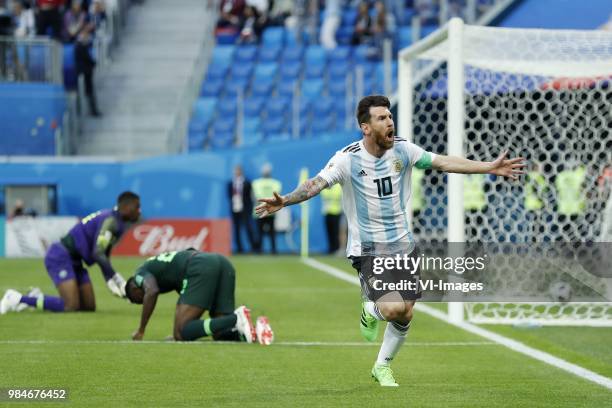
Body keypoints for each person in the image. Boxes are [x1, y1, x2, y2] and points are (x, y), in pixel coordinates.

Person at [255, 95, 524, 387]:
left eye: (390, 116)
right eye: (381, 118)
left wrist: (488, 167)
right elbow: (314, 185)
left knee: (406, 313)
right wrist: (287, 201)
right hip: (368, 248)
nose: (390, 122)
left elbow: (443, 162)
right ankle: (370, 309)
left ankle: (382, 366)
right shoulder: (347, 159)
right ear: (365, 127)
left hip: (403, 245)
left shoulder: (404, 150)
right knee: (393, 308)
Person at [0, 191, 141, 315]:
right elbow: (98, 253)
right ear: (126, 207)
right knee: (70, 306)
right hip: (60, 256)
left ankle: (35, 296)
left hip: (75, 261)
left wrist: (109, 280)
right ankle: (16, 298)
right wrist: (116, 279)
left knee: (88, 307)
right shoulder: (110, 221)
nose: (139, 211)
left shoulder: (116, 221)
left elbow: (103, 255)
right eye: (137, 207)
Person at [124, 249, 273, 344]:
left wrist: (141, 329)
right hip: (220, 262)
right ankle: (252, 331)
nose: (141, 303)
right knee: (219, 331)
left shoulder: (139, 274)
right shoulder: (163, 269)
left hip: (200, 266)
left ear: (134, 288)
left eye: (136, 300)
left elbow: (152, 291)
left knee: (181, 332)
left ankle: (237, 317)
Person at [252, 163, 281, 254]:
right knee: (272, 232)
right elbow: (277, 196)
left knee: (259, 232)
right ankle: (273, 250)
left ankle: (259, 250)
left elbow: (256, 196)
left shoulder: (256, 183)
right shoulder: (276, 183)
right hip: (272, 210)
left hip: (260, 210)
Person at [227, 165, 256, 253]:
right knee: (236, 229)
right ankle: (239, 249)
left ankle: (253, 248)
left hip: (245, 208)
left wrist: (249, 208)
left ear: (241, 171)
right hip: (235, 208)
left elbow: (250, 196)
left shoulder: (247, 182)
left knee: (248, 227)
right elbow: (229, 196)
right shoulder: (230, 183)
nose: (236, 172)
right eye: (235, 171)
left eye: (238, 171)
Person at [320, 183, 342, 254]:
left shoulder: (338, 187)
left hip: (336, 212)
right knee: (329, 232)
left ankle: (336, 248)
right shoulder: (325, 188)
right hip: (327, 212)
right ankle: (331, 249)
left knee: (336, 232)